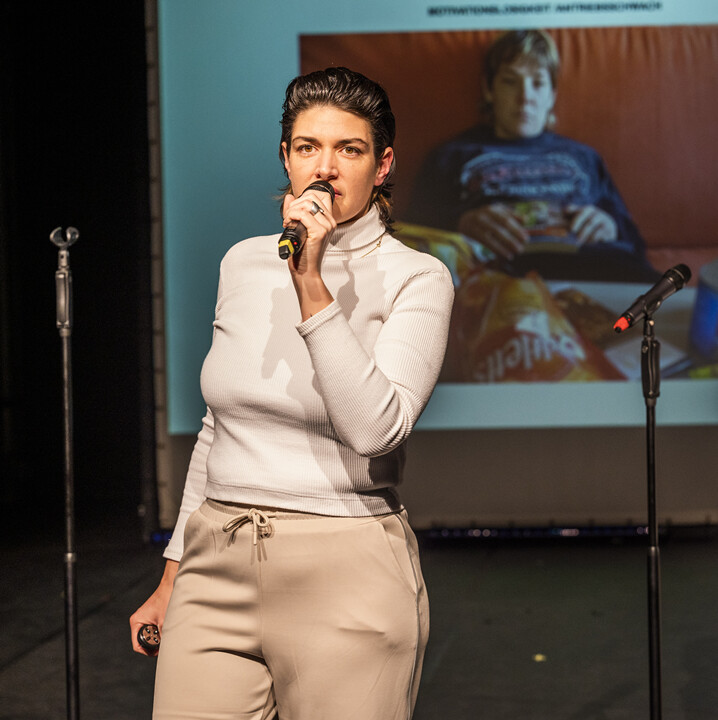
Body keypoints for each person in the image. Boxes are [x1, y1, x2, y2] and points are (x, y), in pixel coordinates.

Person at [130, 66, 455, 720]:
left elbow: (376, 430)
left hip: (345, 568)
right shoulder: (243, 262)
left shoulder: (416, 277)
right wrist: (173, 577)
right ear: (286, 157)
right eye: (308, 147)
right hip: (216, 560)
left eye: (349, 149)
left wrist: (310, 280)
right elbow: (218, 427)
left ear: (383, 165)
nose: (325, 168)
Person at [408, 29, 658, 282]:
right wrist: (460, 222)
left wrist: (611, 226)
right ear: (489, 89)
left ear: (552, 95)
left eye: (537, 83)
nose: (525, 97)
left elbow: (636, 244)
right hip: (496, 277)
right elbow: (408, 236)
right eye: (510, 82)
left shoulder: (584, 157)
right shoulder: (451, 155)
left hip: (593, 273)